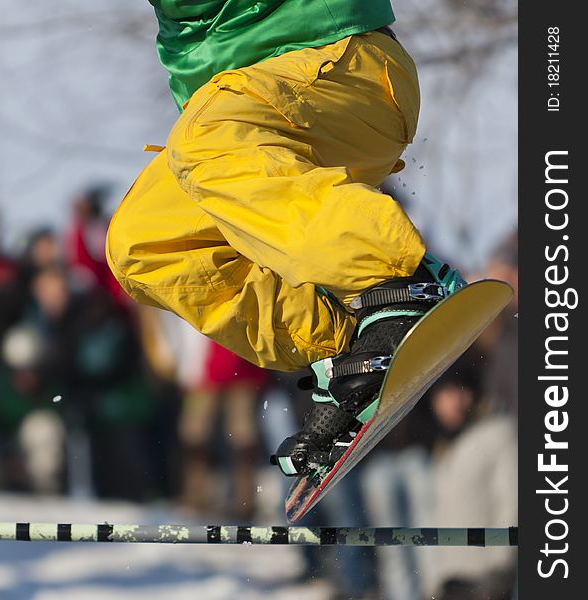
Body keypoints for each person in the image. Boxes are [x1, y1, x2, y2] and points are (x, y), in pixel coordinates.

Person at [106, 1, 467, 477]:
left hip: (347, 69)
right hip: (255, 119)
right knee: (145, 240)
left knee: (204, 139)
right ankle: (343, 339)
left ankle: (398, 283)